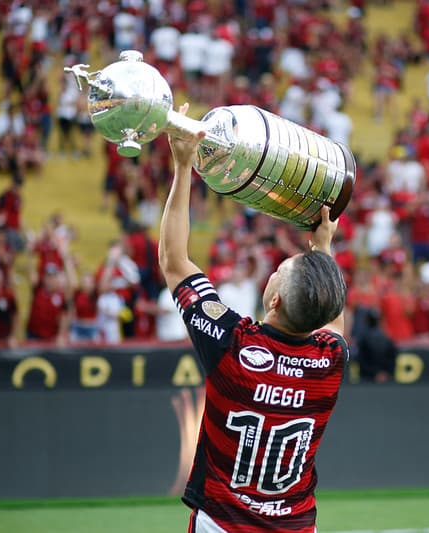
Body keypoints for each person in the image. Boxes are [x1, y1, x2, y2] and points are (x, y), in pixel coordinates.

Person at [158, 103, 348, 533]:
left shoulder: (233, 345)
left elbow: (174, 260)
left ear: (275, 301)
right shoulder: (330, 362)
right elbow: (332, 317)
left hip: (221, 525)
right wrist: (324, 246)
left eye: (280, 270)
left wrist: (183, 166)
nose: (276, 267)